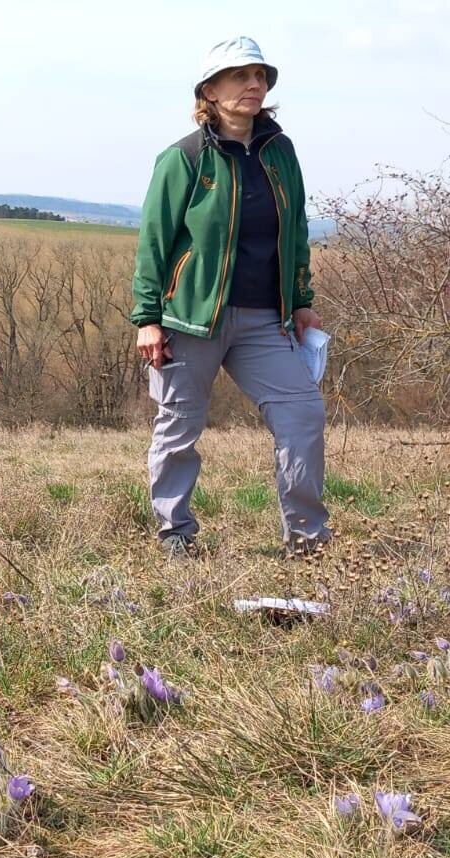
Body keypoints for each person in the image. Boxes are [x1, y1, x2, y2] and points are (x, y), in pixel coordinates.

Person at [129, 36, 332, 559]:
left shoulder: (280, 153)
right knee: (179, 425)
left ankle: (307, 540)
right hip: (192, 320)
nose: (253, 84)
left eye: (260, 76)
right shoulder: (184, 158)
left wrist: (301, 297)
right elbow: (154, 241)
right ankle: (176, 536)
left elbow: (297, 228)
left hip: (266, 320)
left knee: (303, 412)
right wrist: (147, 318)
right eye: (239, 75)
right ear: (210, 90)